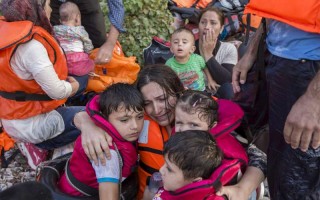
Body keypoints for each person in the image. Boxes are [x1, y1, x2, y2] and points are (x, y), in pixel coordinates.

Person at [76, 64, 266, 200]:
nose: (157, 109)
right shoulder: (138, 120)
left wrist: (242, 189)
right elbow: (99, 108)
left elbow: (260, 154)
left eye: (163, 99)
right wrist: (88, 124)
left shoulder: (202, 115)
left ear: (179, 92)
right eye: (148, 103)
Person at [232, 1, 320, 199]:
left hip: (309, 71)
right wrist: (253, 50)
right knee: (278, 170)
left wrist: (315, 98)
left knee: (297, 182)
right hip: (274, 56)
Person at [0, 0, 82, 170]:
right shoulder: (31, 46)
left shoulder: (5, 35)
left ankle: (34, 143)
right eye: (47, 4)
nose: (51, 9)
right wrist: (74, 87)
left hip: (11, 119)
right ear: (36, 9)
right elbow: (58, 92)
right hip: (29, 126)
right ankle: (45, 149)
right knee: (93, 116)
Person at [59, 83, 145, 199]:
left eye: (139, 117)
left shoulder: (120, 132)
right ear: (105, 117)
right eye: (124, 120)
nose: (135, 126)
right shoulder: (106, 152)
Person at [50, 0, 125, 64]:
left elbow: (116, 6)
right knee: (52, 49)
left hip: (87, 4)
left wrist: (110, 44)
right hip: (54, 4)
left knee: (98, 46)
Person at [155, 130, 223, 199]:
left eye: (169, 169)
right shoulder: (170, 186)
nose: (161, 170)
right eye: (164, 163)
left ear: (195, 182)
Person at [195, 7, 238, 99]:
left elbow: (227, 80)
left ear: (221, 28)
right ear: (198, 25)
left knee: (229, 89)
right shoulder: (188, 48)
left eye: (213, 23)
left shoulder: (228, 49)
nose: (207, 27)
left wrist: (207, 54)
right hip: (194, 93)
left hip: (217, 95)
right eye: (203, 22)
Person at [53, 1, 94, 96]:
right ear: (77, 18)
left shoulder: (55, 29)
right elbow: (88, 45)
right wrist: (88, 53)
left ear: (60, 19)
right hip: (79, 60)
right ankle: (86, 84)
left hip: (63, 60)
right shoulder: (80, 30)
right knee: (91, 64)